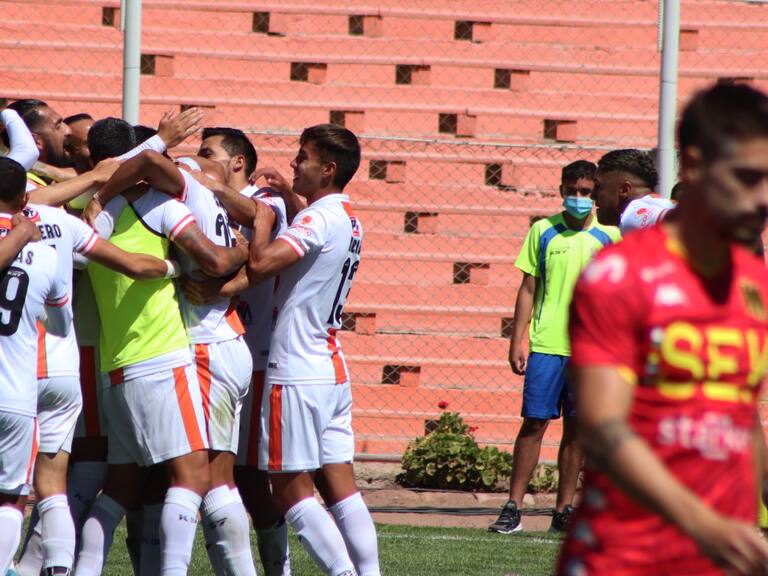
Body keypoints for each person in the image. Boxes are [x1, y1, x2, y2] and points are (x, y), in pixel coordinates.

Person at [557, 83, 768, 575]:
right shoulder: (618, 277)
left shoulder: (753, 283)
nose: (763, 198)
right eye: (747, 178)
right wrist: (704, 523)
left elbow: (740, 417)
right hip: (624, 555)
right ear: (693, 166)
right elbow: (604, 430)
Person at [73, 119, 248, 576]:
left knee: (117, 492)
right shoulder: (162, 208)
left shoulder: (89, 214)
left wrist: (96, 191)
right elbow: (211, 261)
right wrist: (244, 252)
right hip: (160, 359)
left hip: (114, 368)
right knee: (192, 478)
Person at [247, 124, 380, 576]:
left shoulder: (316, 218)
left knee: (286, 486)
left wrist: (265, 220)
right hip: (330, 365)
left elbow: (262, 263)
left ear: (327, 169)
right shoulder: (347, 216)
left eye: (301, 157)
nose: (292, 164)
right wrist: (290, 198)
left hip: (296, 367)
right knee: (342, 486)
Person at [489, 160, 621, 534]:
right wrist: (519, 337)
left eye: (585, 192)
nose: (577, 198)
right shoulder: (542, 230)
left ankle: (563, 511)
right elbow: (528, 288)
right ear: (562, 189)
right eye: (571, 191)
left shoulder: (611, 238)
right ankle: (513, 506)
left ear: (595, 193)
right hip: (547, 345)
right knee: (533, 424)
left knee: (577, 432)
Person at [192, 126, 293, 575]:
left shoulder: (267, 200)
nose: (199, 160)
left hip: (254, 355)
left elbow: (259, 228)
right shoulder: (206, 202)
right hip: (223, 350)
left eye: (208, 153)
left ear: (236, 163)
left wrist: (222, 288)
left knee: (249, 479)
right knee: (234, 476)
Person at [0, 157, 72, 574]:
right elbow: (61, 323)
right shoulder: (44, 255)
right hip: (15, 395)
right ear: (24, 199)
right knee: (11, 497)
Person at [593, 148, 674, 234]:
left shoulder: (633, 214)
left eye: (599, 186)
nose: (592, 195)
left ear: (624, 190)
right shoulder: (659, 204)